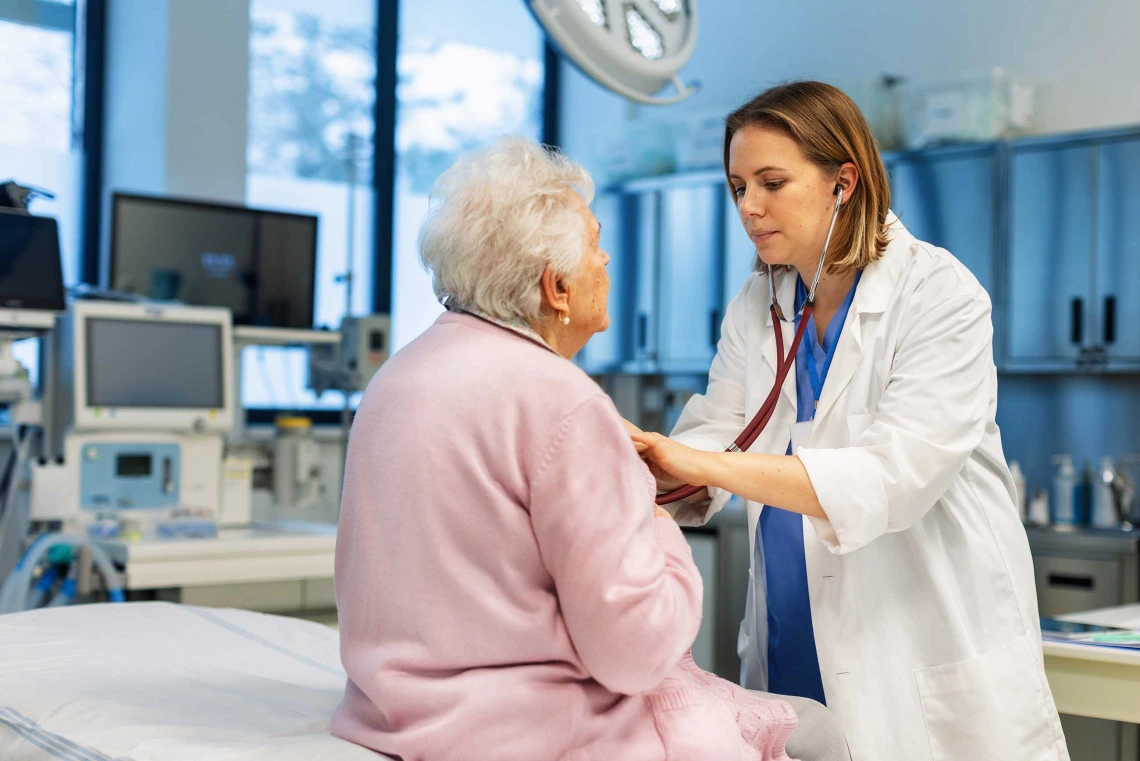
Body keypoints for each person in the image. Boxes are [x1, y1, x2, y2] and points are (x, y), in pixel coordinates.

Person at [331, 137, 816, 761]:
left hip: (394, 716)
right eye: (594, 244)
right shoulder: (564, 402)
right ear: (557, 288)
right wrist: (654, 522)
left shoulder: (399, 375)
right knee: (823, 738)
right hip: (529, 733)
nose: (606, 256)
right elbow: (636, 654)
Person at [630, 81, 1070, 761]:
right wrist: (644, 469)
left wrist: (698, 462)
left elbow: (892, 476)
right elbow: (716, 430)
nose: (749, 206)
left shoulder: (937, 293)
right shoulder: (759, 303)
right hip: (791, 643)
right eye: (737, 185)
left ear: (844, 180)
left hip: (917, 656)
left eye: (772, 182)